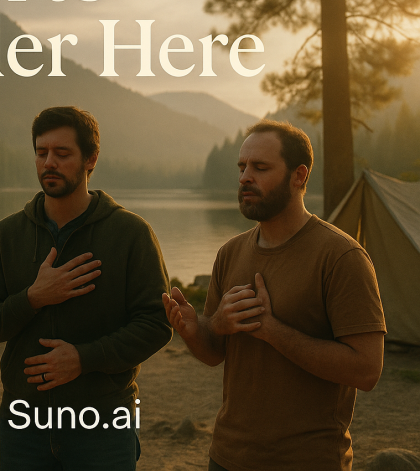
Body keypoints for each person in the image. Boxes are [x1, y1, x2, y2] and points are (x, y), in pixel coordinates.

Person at [163, 120, 386, 471]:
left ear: (299, 175)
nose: (244, 178)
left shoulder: (341, 256)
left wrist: (272, 330)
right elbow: (214, 354)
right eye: (242, 167)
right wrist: (199, 329)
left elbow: (367, 370)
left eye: (260, 167)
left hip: (307, 462)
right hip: (226, 456)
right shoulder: (230, 252)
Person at [0, 106, 172, 470]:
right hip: (23, 423)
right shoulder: (7, 234)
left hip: (103, 422)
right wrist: (33, 298)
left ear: (91, 159)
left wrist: (83, 358)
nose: (49, 162)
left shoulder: (130, 233)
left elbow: (157, 323)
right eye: (41, 152)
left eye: (62, 153)